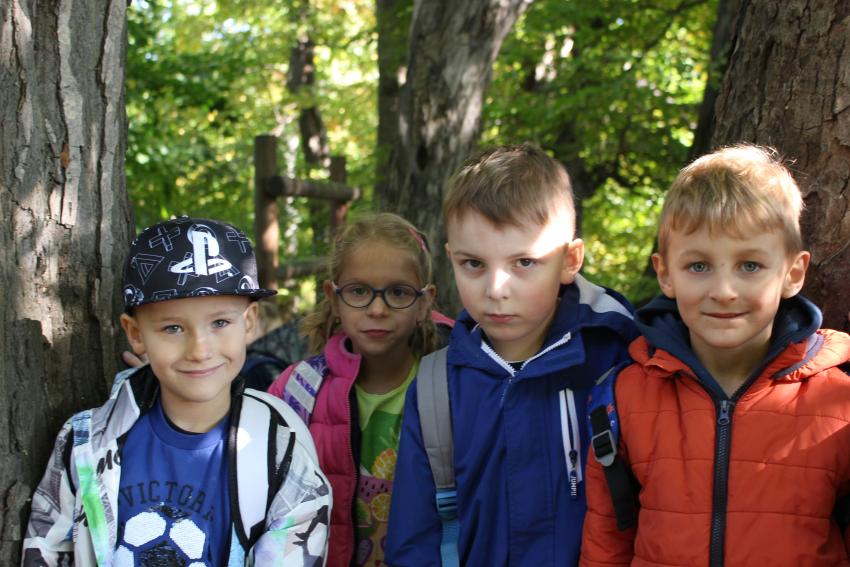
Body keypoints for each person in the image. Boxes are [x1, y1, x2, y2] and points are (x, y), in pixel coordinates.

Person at [580, 144, 850, 566]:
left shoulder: (839, 402)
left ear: (793, 273)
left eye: (750, 266)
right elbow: (606, 541)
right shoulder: (624, 397)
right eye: (699, 266)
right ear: (665, 273)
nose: (724, 291)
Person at [22, 217, 331, 566]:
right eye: (172, 328)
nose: (199, 350)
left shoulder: (282, 457)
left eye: (220, 323)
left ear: (248, 322)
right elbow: (46, 549)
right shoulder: (84, 444)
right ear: (136, 334)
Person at [385, 143, 638, 566]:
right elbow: (414, 540)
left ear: (569, 260)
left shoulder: (619, 363)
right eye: (473, 264)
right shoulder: (436, 388)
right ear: (451, 258)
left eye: (524, 262)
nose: (496, 288)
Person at [267, 212, 453, 567]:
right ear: (334, 299)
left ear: (424, 302)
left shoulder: (450, 386)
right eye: (359, 291)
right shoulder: (297, 391)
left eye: (398, 292)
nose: (378, 309)